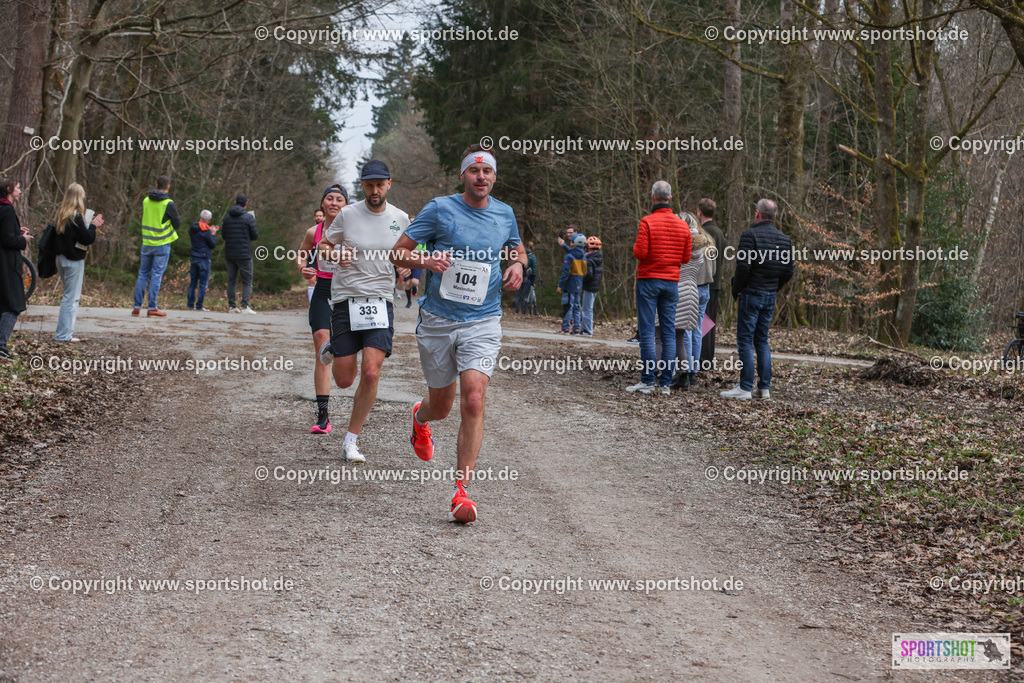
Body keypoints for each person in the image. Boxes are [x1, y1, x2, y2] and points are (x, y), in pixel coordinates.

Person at [390, 144, 525, 523]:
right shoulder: (439, 208)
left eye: (487, 172)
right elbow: (396, 253)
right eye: (474, 171)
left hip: (483, 320)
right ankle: (421, 417)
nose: (481, 177)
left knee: (474, 400)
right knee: (442, 407)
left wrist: (517, 265)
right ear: (463, 175)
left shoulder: (505, 214)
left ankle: (462, 492)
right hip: (437, 321)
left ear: (495, 177)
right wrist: (426, 259)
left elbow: (518, 250)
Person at [316, 161, 409, 460]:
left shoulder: (400, 217)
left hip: (381, 300)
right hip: (346, 299)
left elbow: (408, 254)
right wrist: (337, 253)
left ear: (389, 184)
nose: (374, 190)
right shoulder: (348, 213)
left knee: (370, 372)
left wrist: (409, 269)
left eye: (380, 184)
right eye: (369, 185)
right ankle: (336, 345)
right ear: (362, 186)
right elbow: (324, 246)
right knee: (344, 379)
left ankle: (350, 440)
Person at [721, 198, 794, 400]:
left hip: (751, 293)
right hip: (769, 295)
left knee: (745, 339)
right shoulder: (784, 240)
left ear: (757, 214)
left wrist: (737, 290)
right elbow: (789, 271)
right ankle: (764, 387)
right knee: (761, 340)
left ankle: (745, 387)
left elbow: (743, 267)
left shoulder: (749, 236)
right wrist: (774, 287)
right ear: (775, 216)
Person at [628, 180, 691, 395]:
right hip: (671, 281)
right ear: (670, 198)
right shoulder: (683, 225)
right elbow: (686, 257)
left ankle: (647, 380)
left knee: (647, 332)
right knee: (669, 333)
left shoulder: (647, 222)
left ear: (653, 197)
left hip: (648, 280)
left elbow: (639, 253)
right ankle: (665, 383)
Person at [296, 183, 348, 433]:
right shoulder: (313, 231)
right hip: (322, 290)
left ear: (346, 205)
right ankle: (323, 416)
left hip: (348, 292)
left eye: (340, 199)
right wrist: (303, 267)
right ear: (322, 204)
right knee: (322, 347)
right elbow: (302, 253)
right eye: (330, 198)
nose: (334, 203)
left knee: (344, 352)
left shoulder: (353, 230)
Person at [52, 183, 103, 342]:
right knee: (71, 298)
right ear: (78, 197)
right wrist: (93, 226)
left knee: (68, 296)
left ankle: (64, 333)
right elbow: (86, 239)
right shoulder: (76, 216)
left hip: (60, 258)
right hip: (73, 260)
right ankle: (63, 335)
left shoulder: (61, 213)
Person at [670, 213, 710, 390]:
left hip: (685, 287)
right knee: (697, 330)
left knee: (682, 333)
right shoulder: (707, 242)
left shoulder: (681, 244)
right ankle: (692, 371)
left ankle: (681, 371)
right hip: (702, 287)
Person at [132, 175, 180, 317]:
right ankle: (152, 307)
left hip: (146, 243)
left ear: (156, 185)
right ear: (168, 187)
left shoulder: (146, 200)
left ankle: (136, 307)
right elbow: (177, 223)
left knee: (143, 274)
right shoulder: (168, 203)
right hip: (162, 244)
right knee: (156, 275)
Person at [0, 178, 32, 359]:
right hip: (7, 265)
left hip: (4, 263)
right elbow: (6, 240)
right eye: (18, 188)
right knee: (14, 306)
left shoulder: (2, 209)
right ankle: (1, 346)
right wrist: (23, 240)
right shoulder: (7, 211)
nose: (20, 191)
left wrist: (16, 233)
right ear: (8, 189)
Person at [698, 198, 726, 368]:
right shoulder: (719, 232)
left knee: (703, 322)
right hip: (716, 283)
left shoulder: (706, 233)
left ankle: (703, 359)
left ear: (700, 212)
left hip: (706, 282)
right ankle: (707, 358)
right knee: (709, 323)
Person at [221, 193, 259, 314]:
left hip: (230, 253)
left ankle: (232, 306)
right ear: (246, 204)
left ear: (235, 202)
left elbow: (223, 235)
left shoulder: (227, 217)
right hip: (244, 254)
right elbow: (255, 236)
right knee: (247, 281)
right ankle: (244, 306)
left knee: (231, 280)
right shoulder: (248, 218)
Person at [187, 210, 218, 311]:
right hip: (204, 258)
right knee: (203, 283)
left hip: (194, 257)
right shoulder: (207, 231)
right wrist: (213, 233)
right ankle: (199, 306)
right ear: (209, 219)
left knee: (193, 282)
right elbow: (212, 244)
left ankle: (190, 305)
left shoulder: (193, 229)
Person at [558, 234, 586, 334]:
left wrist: (560, 285)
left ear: (574, 243)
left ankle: (565, 327)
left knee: (568, 306)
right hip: (579, 284)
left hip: (569, 284)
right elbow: (585, 272)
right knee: (577, 307)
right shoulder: (584, 257)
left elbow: (566, 272)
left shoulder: (569, 256)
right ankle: (576, 328)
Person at [581, 236, 603, 336]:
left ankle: (587, 330)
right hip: (594, 286)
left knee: (587, 309)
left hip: (590, 286)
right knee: (587, 308)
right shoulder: (598, 257)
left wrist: (582, 279)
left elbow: (588, 275)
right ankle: (585, 329)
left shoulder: (589, 259)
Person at [514, 241, 537, 314]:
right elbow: (534, 269)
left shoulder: (521, 255)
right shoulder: (532, 257)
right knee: (526, 296)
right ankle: (523, 312)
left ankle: (516, 311)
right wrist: (533, 281)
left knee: (518, 295)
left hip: (520, 277)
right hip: (527, 278)